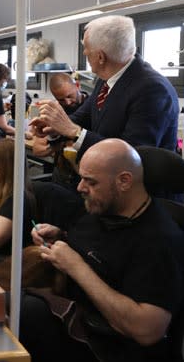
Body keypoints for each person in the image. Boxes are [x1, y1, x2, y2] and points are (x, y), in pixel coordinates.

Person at [21, 139, 183, 362]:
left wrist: (76, 267)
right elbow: (101, 251)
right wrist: (61, 236)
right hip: (75, 312)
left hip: (108, 345)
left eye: (91, 182)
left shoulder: (159, 241)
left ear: (124, 181)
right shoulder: (105, 210)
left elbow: (147, 330)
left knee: (22, 315)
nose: (80, 188)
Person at [30, 15, 179, 159]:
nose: (84, 52)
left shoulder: (152, 89)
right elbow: (83, 116)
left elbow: (131, 154)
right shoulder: (106, 79)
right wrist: (53, 127)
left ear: (101, 57)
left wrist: (74, 132)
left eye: (86, 48)